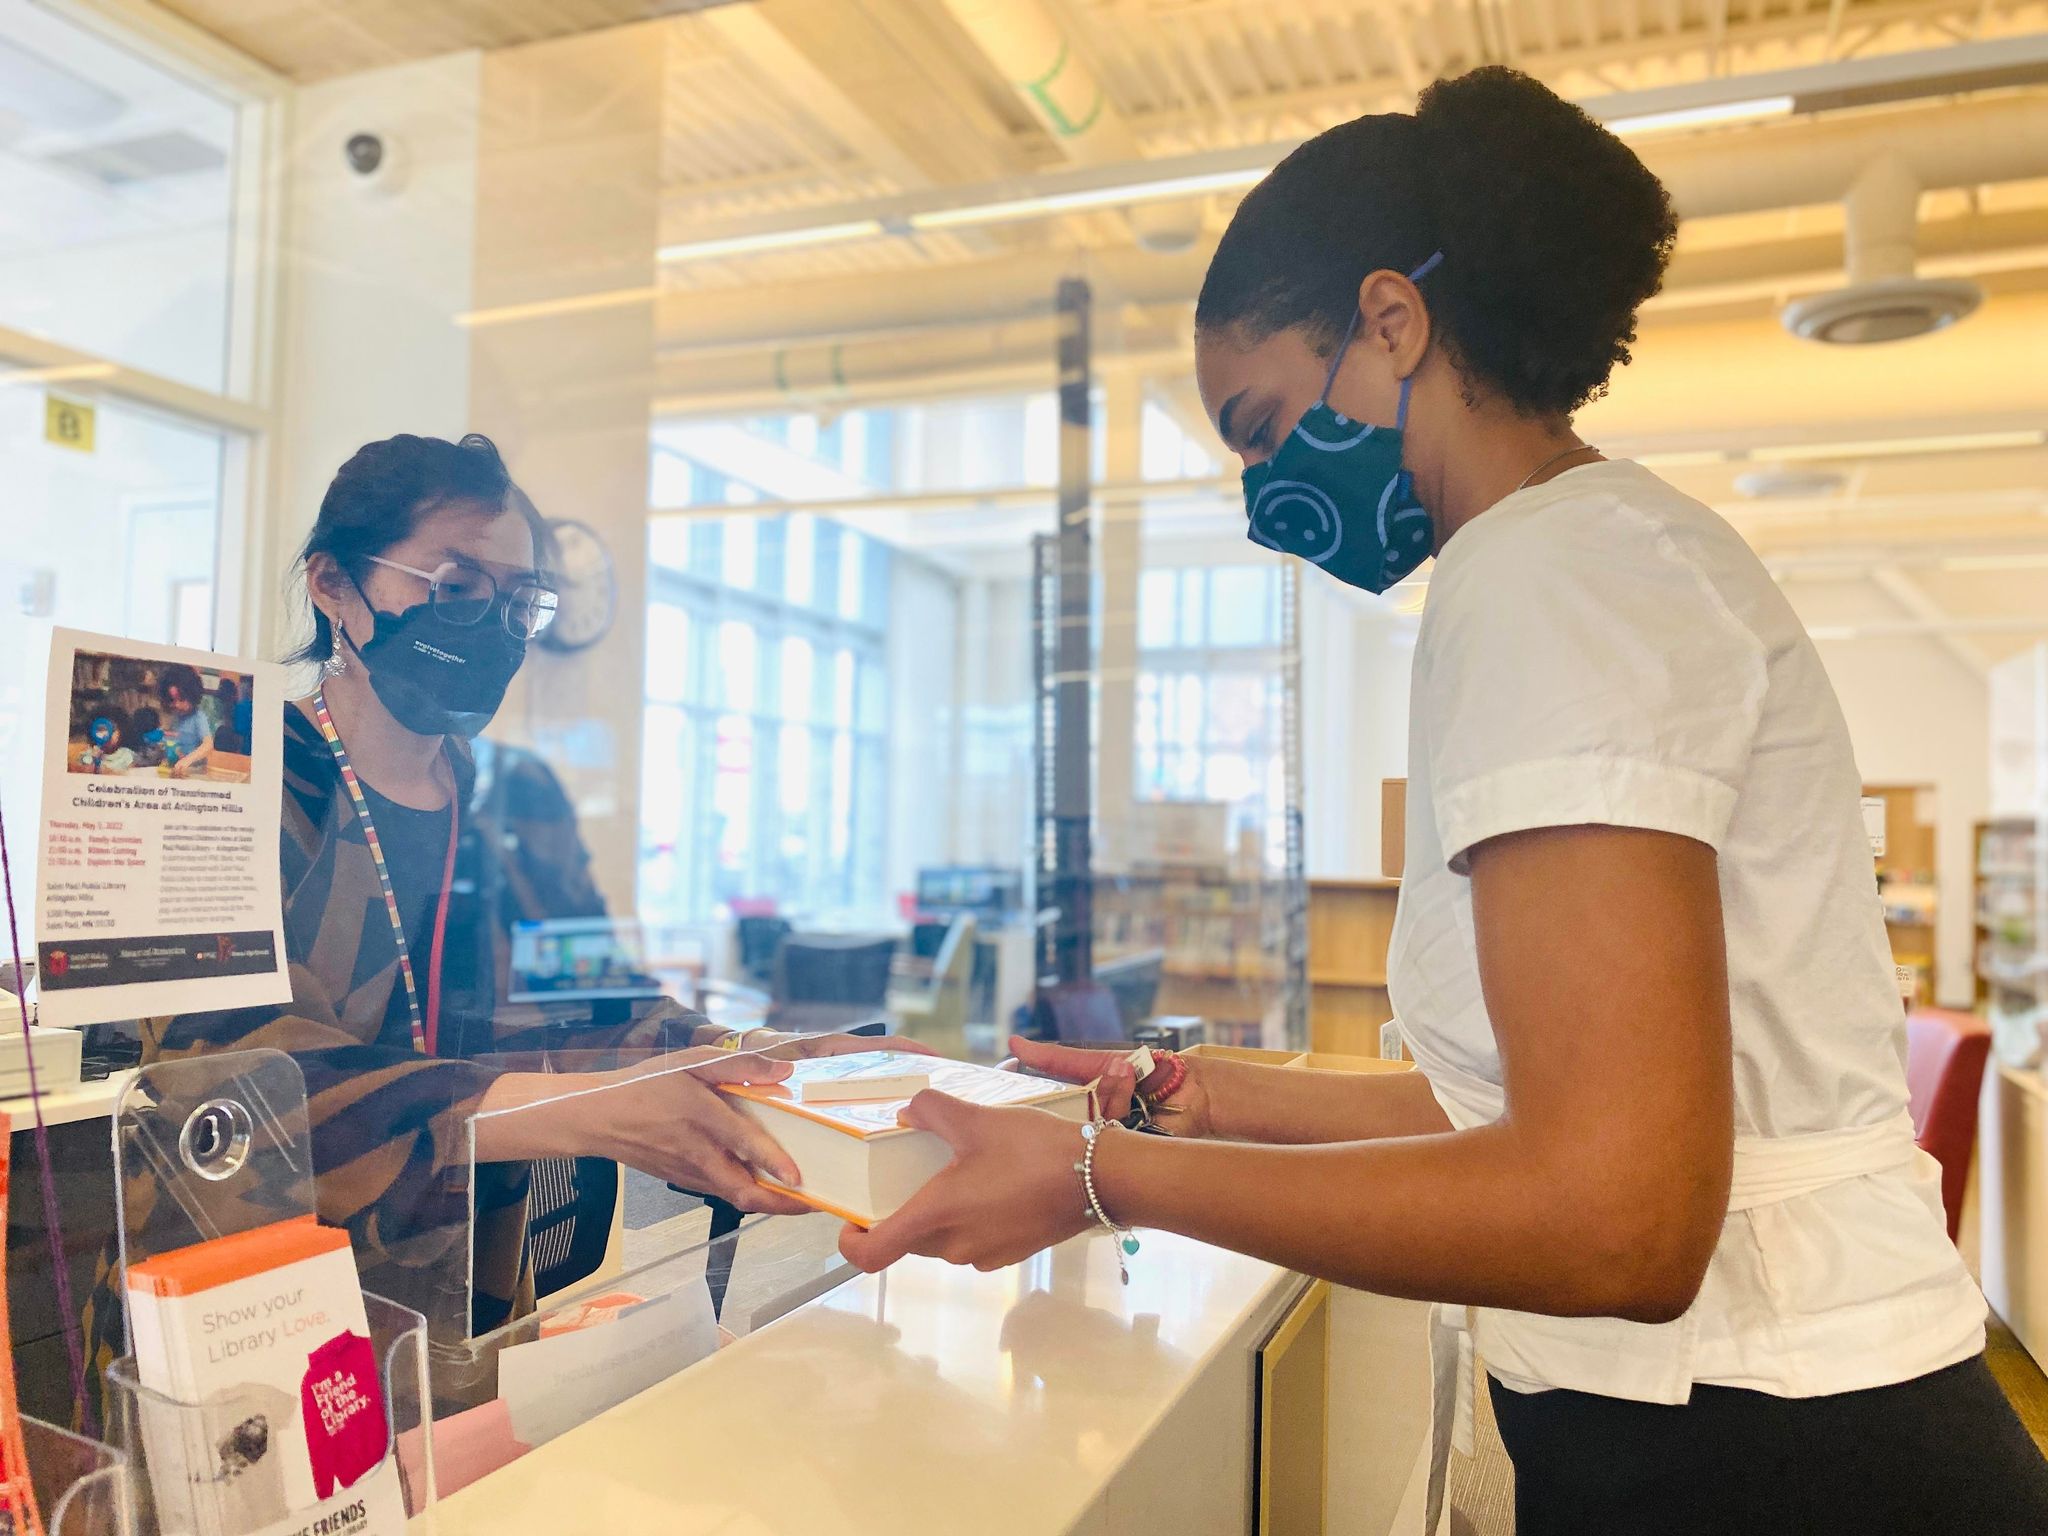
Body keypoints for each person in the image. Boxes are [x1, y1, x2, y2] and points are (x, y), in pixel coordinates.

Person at [835, 69, 2048, 1534]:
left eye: (1267, 422)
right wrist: (1220, 1105)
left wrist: (1108, 1178)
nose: (1265, 490)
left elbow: (1617, 1217)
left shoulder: (1547, 578)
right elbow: (1551, 1098)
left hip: (1777, 1450)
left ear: (1392, 322)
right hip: (1770, 1415)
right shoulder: (1601, 550)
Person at [90, 433, 920, 1404]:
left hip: (460, 1324)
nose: (494, 627)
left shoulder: (511, 803)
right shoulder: (192, 766)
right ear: (332, 586)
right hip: (233, 1328)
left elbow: (597, 1007)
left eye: (518, 601)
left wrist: (746, 1052)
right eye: (453, 588)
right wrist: (588, 1110)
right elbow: (235, 1087)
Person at [158, 663, 215, 779]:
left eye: (182, 699)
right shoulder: (175, 718)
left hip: (196, 773)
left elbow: (208, 745)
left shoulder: (198, 717)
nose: (177, 705)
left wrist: (187, 760)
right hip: (177, 772)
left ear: (192, 695)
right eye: (172, 700)